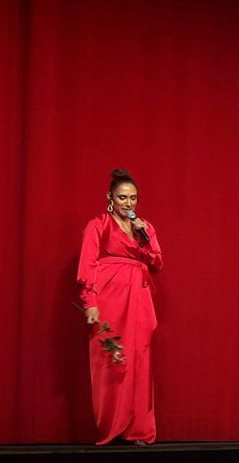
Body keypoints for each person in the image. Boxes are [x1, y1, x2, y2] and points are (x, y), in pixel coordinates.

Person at [77, 168, 163, 445]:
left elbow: (157, 263)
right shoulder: (98, 225)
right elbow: (87, 265)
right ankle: (112, 427)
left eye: (133, 198)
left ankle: (138, 430)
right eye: (123, 197)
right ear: (110, 198)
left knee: (140, 361)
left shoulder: (145, 227)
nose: (128, 203)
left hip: (139, 297)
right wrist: (89, 302)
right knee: (113, 359)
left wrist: (144, 238)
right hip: (110, 297)